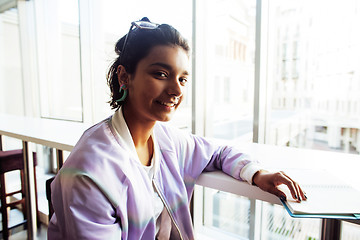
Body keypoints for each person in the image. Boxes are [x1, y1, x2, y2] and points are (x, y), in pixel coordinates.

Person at [47, 17, 306, 240]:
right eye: (161, 74)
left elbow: (217, 152)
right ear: (125, 76)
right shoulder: (89, 174)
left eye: (182, 78)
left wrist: (257, 174)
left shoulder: (165, 140)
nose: (177, 90)